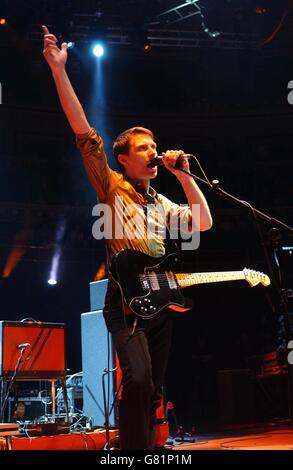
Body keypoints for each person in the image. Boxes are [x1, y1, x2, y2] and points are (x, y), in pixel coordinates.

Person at [42, 25, 213, 450]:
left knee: (152, 387)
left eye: (155, 146)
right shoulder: (112, 184)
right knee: (136, 378)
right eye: (144, 148)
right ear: (123, 158)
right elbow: (82, 130)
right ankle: (128, 450)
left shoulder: (161, 201)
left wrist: (184, 175)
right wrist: (59, 70)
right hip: (124, 300)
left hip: (160, 300)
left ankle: (137, 450)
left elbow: (203, 222)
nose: (153, 152)